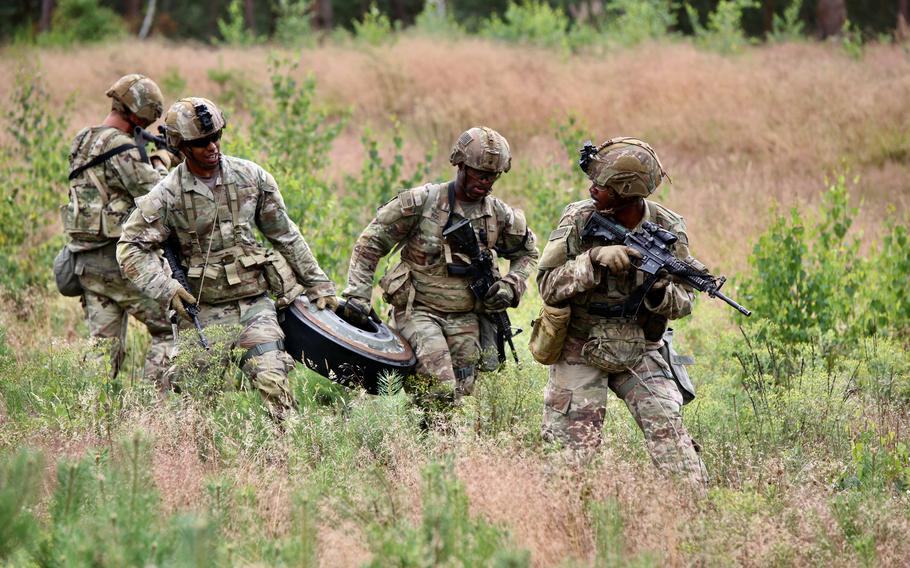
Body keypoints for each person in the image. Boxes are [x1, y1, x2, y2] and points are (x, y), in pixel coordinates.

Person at [117, 97, 337, 420]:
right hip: (201, 313)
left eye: (216, 136)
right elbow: (130, 247)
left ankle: (287, 463)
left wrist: (320, 285)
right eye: (201, 142)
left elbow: (286, 235)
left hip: (254, 306)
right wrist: (166, 288)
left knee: (275, 385)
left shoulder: (252, 178)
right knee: (193, 406)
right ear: (180, 145)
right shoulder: (167, 195)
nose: (212, 146)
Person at [536, 137, 707, 491]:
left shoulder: (667, 228)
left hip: (640, 345)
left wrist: (660, 292)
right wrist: (592, 262)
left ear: (627, 192)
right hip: (580, 344)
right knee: (570, 458)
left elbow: (686, 301)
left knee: (672, 440)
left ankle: (694, 517)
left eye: (603, 185)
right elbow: (547, 285)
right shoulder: (580, 218)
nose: (592, 188)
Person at [342, 126, 538, 408]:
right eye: (478, 172)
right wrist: (358, 295)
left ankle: (433, 445)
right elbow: (370, 242)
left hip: (467, 316)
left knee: (459, 396)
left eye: (492, 175)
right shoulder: (422, 202)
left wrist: (511, 284)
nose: (485, 181)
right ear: (460, 164)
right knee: (440, 386)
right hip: (419, 310)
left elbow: (528, 251)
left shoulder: (498, 215)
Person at [62, 74, 179, 383]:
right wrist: (163, 158)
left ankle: (90, 418)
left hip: (85, 263)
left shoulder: (83, 139)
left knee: (103, 349)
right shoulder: (121, 149)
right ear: (140, 113)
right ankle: (156, 409)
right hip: (122, 263)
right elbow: (156, 195)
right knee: (173, 329)